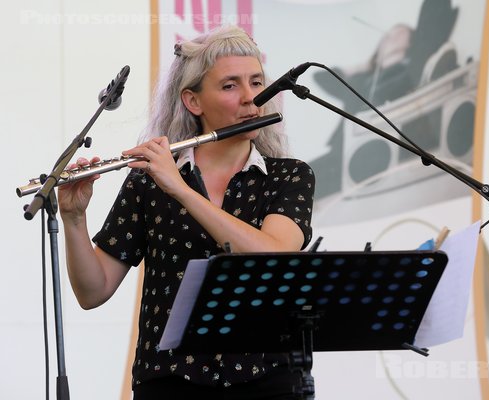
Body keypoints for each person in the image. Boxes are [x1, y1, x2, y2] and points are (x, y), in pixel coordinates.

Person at [58, 25, 315, 400]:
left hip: (268, 379)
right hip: (170, 381)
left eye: (257, 82)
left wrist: (181, 189)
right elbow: (92, 291)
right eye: (230, 86)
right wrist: (74, 218)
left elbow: (273, 254)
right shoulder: (149, 181)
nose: (251, 98)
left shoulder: (288, 175)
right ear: (194, 102)